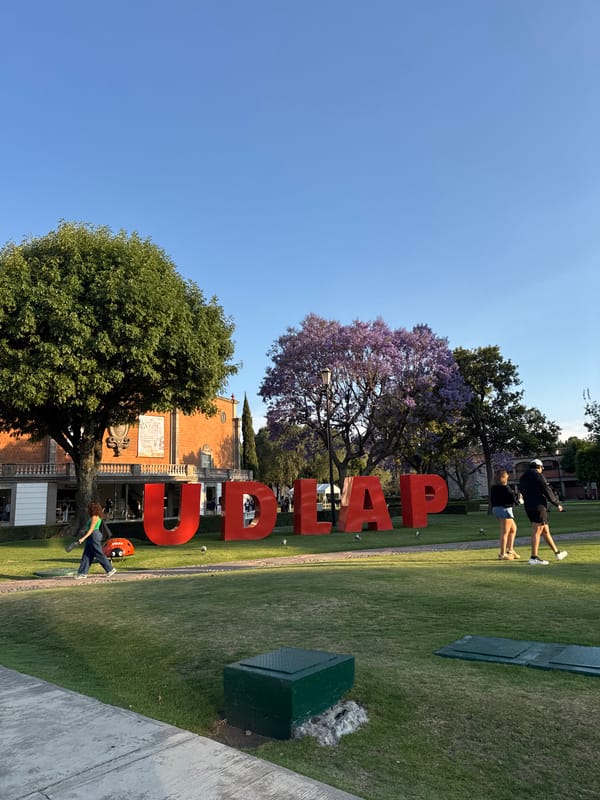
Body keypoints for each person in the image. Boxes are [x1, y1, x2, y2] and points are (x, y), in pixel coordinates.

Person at [518, 458, 567, 565]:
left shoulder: (523, 477)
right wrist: (556, 503)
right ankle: (533, 557)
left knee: (545, 530)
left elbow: (521, 490)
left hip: (528, 506)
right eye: (541, 468)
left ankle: (557, 553)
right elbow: (546, 489)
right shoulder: (538, 475)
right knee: (537, 530)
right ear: (539, 467)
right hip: (538, 506)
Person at [75, 501, 117, 579]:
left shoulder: (95, 517)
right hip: (92, 536)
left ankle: (110, 569)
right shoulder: (94, 517)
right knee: (87, 554)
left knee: (98, 553)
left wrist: (83, 538)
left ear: (93, 509)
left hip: (94, 535)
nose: (88, 509)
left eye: (89, 508)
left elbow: (91, 530)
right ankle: (82, 573)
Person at [490, 468, 520, 560]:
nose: (508, 476)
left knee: (513, 529)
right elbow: (511, 498)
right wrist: (518, 497)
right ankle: (502, 553)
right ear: (504, 477)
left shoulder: (494, 487)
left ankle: (510, 550)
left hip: (496, 509)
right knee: (505, 532)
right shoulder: (505, 487)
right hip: (504, 509)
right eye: (507, 474)